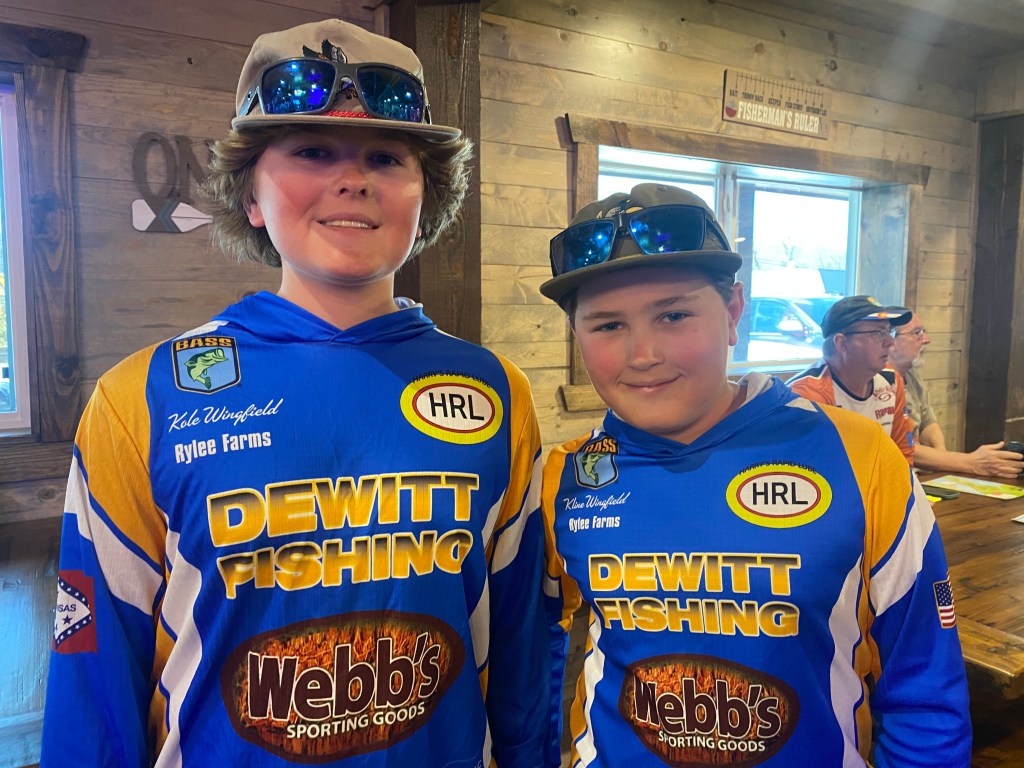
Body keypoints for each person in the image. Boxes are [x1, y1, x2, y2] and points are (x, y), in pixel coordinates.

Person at [40, 19, 548, 768]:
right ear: (251, 193)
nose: (354, 178)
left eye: (386, 157)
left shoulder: (497, 393)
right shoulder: (142, 398)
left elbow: (523, 657)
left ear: (427, 195)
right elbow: (92, 682)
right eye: (312, 151)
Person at [538, 183, 971, 767]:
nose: (643, 355)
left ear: (734, 312)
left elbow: (924, 683)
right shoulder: (565, 477)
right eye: (607, 325)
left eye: (674, 315)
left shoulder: (860, 455)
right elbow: (529, 660)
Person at [889, 311, 1024, 478]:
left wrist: (941, 460)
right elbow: (898, 445)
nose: (926, 339)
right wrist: (970, 462)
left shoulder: (911, 374)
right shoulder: (881, 384)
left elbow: (928, 424)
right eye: (917, 333)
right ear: (891, 341)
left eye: (924, 331)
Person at [787, 295, 916, 465]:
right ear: (842, 344)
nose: (890, 342)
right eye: (878, 333)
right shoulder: (807, 396)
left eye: (888, 331)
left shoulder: (891, 379)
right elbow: (811, 471)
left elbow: (902, 455)